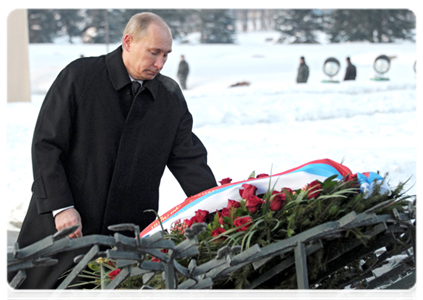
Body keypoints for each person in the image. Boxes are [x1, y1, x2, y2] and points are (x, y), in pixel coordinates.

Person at [6, 12, 217, 300]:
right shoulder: (80, 76)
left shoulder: (169, 96)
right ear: (128, 41)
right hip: (64, 228)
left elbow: (189, 160)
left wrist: (218, 208)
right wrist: (61, 206)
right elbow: (46, 145)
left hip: (126, 236)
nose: (160, 63)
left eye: (166, 55)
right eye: (153, 52)